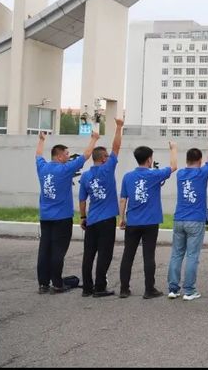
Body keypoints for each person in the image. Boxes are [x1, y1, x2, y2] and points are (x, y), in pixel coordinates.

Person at [35, 130, 99, 294]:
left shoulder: (42, 168)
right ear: (59, 156)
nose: (68, 157)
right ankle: (57, 284)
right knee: (58, 251)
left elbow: (38, 155)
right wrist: (94, 139)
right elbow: (85, 156)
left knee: (44, 249)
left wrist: (41, 140)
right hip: (62, 218)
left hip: (45, 217)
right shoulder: (65, 170)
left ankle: (43, 284)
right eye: (66, 154)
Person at [118, 142, 177, 299]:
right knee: (149, 256)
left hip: (132, 221)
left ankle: (124, 289)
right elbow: (173, 167)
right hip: (150, 222)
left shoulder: (127, 176)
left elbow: (123, 199)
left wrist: (121, 218)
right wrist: (173, 149)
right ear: (149, 159)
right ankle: (149, 289)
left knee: (128, 255)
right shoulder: (155, 175)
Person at [167, 128, 208, 301]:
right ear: (200, 160)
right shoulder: (202, 173)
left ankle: (173, 289)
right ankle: (189, 290)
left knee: (176, 254)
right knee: (192, 256)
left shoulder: (181, 174)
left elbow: (174, 165)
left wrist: (173, 149)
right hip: (195, 220)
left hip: (179, 219)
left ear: (187, 160)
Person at [78, 119, 124, 298]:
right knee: (105, 254)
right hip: (106, 220)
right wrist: (118, 127)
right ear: (104, 158)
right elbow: (116, 147)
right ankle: (99, 287)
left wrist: (83, 217)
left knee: (88, 255)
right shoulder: (108, 168)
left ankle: (87, 288)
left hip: (92, 220)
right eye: (107, 155)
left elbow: (82, 199)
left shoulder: (85, 176)